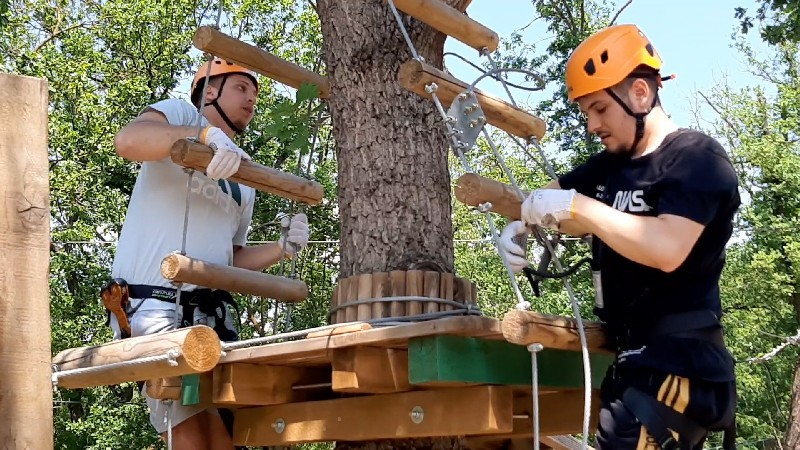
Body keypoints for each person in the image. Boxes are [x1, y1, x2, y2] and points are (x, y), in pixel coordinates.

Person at [498, 24, 739, 450]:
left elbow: (667, 247)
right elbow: (549, 201)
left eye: (599, 109)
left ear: (640, 94)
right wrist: (521, 226)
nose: (592, 125)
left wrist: (580, 209)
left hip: (677, 363)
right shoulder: (609, 167)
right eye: (586, 113)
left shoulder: (694, 158)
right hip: (634, 360)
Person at [109, 57, 310, 450]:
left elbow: (230, 258)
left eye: (255, 94)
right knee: (192, 433)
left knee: (224, 438)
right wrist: (204, 134)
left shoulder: (243, 176)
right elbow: (128, 141)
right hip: (153, 305)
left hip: (208, 316)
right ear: (210, 90)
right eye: (241, 88)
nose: (251, 100)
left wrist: (281, 249)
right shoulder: (181, 115)